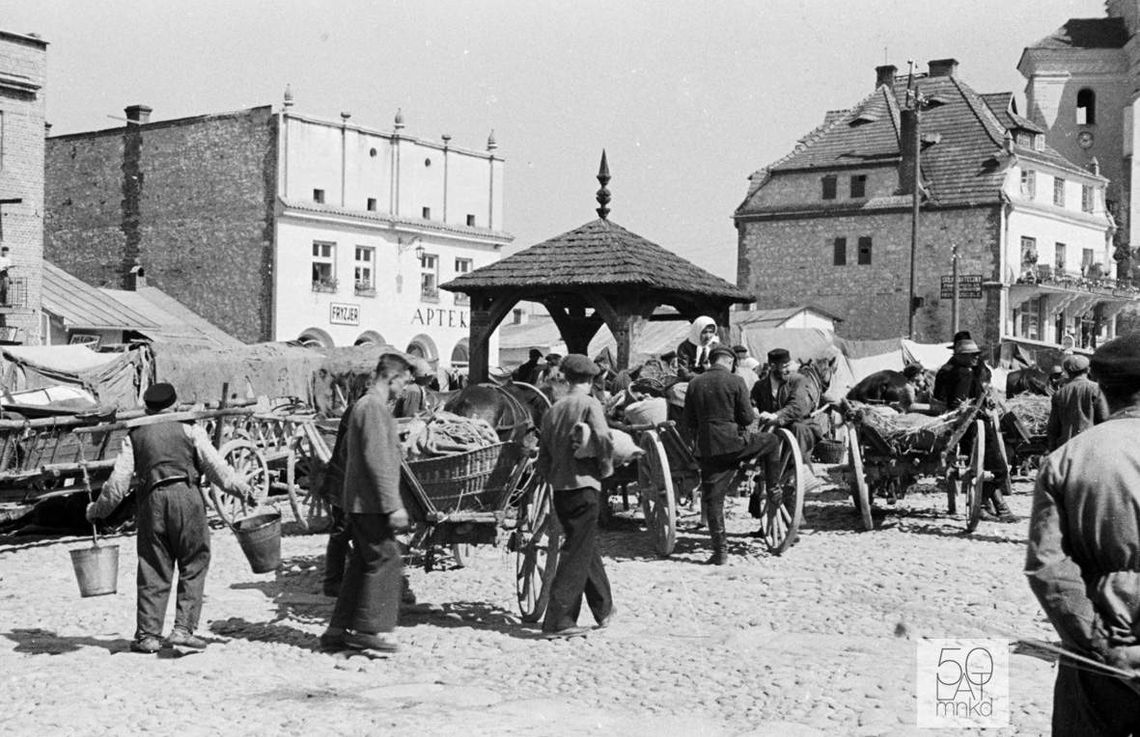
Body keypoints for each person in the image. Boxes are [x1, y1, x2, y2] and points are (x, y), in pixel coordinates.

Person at [85, 383, 255, 653]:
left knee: (153, 565)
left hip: (151, 502)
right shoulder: (190, 428)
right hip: (187, 498)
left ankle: (148, 636)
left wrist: (97, 511)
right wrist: (242, 489)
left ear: (146, 407)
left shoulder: (134, 435)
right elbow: (216, 468)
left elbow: (117, 484)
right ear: (175, 405)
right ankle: (183, 629)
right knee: (195, 560)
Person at [1026, 332, 1140, 735]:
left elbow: (1048, 568)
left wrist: (1103, 647)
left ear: (1104, 392)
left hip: (1096, 655)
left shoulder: (1065, 461)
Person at [320, 353, 412, 654]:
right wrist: (393, 504)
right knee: (387, 560)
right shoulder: (373, 408)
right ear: (393, 378)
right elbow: (377, 460)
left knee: (361, 564)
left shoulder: (363, 406)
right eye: (404, 382)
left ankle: (337, 630)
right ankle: (372, 629)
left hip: (359, 501)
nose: (405, 389)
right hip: (371, 502)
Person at [535, 353, 615, 638]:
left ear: (566, 378)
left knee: (583, 543)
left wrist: (552, 476)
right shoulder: (589, 403)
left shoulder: (553, 410)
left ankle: (604, 608)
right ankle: (559, 620)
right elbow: (604, 438)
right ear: (592, 380)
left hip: (561, 490)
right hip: (585, 486)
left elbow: (542, 456)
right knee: (575, 552)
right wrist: (605, 468)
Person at [684, 345, 781, 565]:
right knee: (772, 441)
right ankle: (773, 486)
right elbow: (747, 419)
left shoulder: (694, 383)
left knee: (713, 501)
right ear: (729, 362)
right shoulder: (736, 381)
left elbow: (689, 422)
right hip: (735, 445)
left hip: (709, 450)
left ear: (711, 361)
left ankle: (720, 553)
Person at [930, 335, 1013, 522]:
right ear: (960, 356)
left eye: (976, 354)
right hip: (974, 424)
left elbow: (939, 400)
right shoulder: (966, 373)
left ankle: (993, 507)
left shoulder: (945, 370)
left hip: (958, 425)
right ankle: (982, 504)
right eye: (971, 355)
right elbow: (963, 404)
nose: (976, 357)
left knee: (986, 467)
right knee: (999, 469)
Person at [751, 348, 824, 459]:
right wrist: (755, 410)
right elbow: (752, 403)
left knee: (798, 428)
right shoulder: (759, 386)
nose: (789, 370)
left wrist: (775, 416)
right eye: (784, 367)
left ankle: (800, 467)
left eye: (789, 365)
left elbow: (796, 406)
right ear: (773, 366)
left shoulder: (798, 380)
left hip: (799, 423)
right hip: (770, 428)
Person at [1045, 354, 1108, 451]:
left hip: (1066, 447)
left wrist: (1052, 450)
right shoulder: (1096, 389)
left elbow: (1053, 428)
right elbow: (1104, 419)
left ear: (1067, 372)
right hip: (1089, 446)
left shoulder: (1059, 394)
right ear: (1088, 370)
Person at [676, 316, 719, 380]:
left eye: (711, 332)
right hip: (691, 381)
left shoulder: (715, 346)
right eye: (704, 332)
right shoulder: (685, 347)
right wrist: (704, 378)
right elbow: (684, 372)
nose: (708, 336)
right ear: (697, 331)